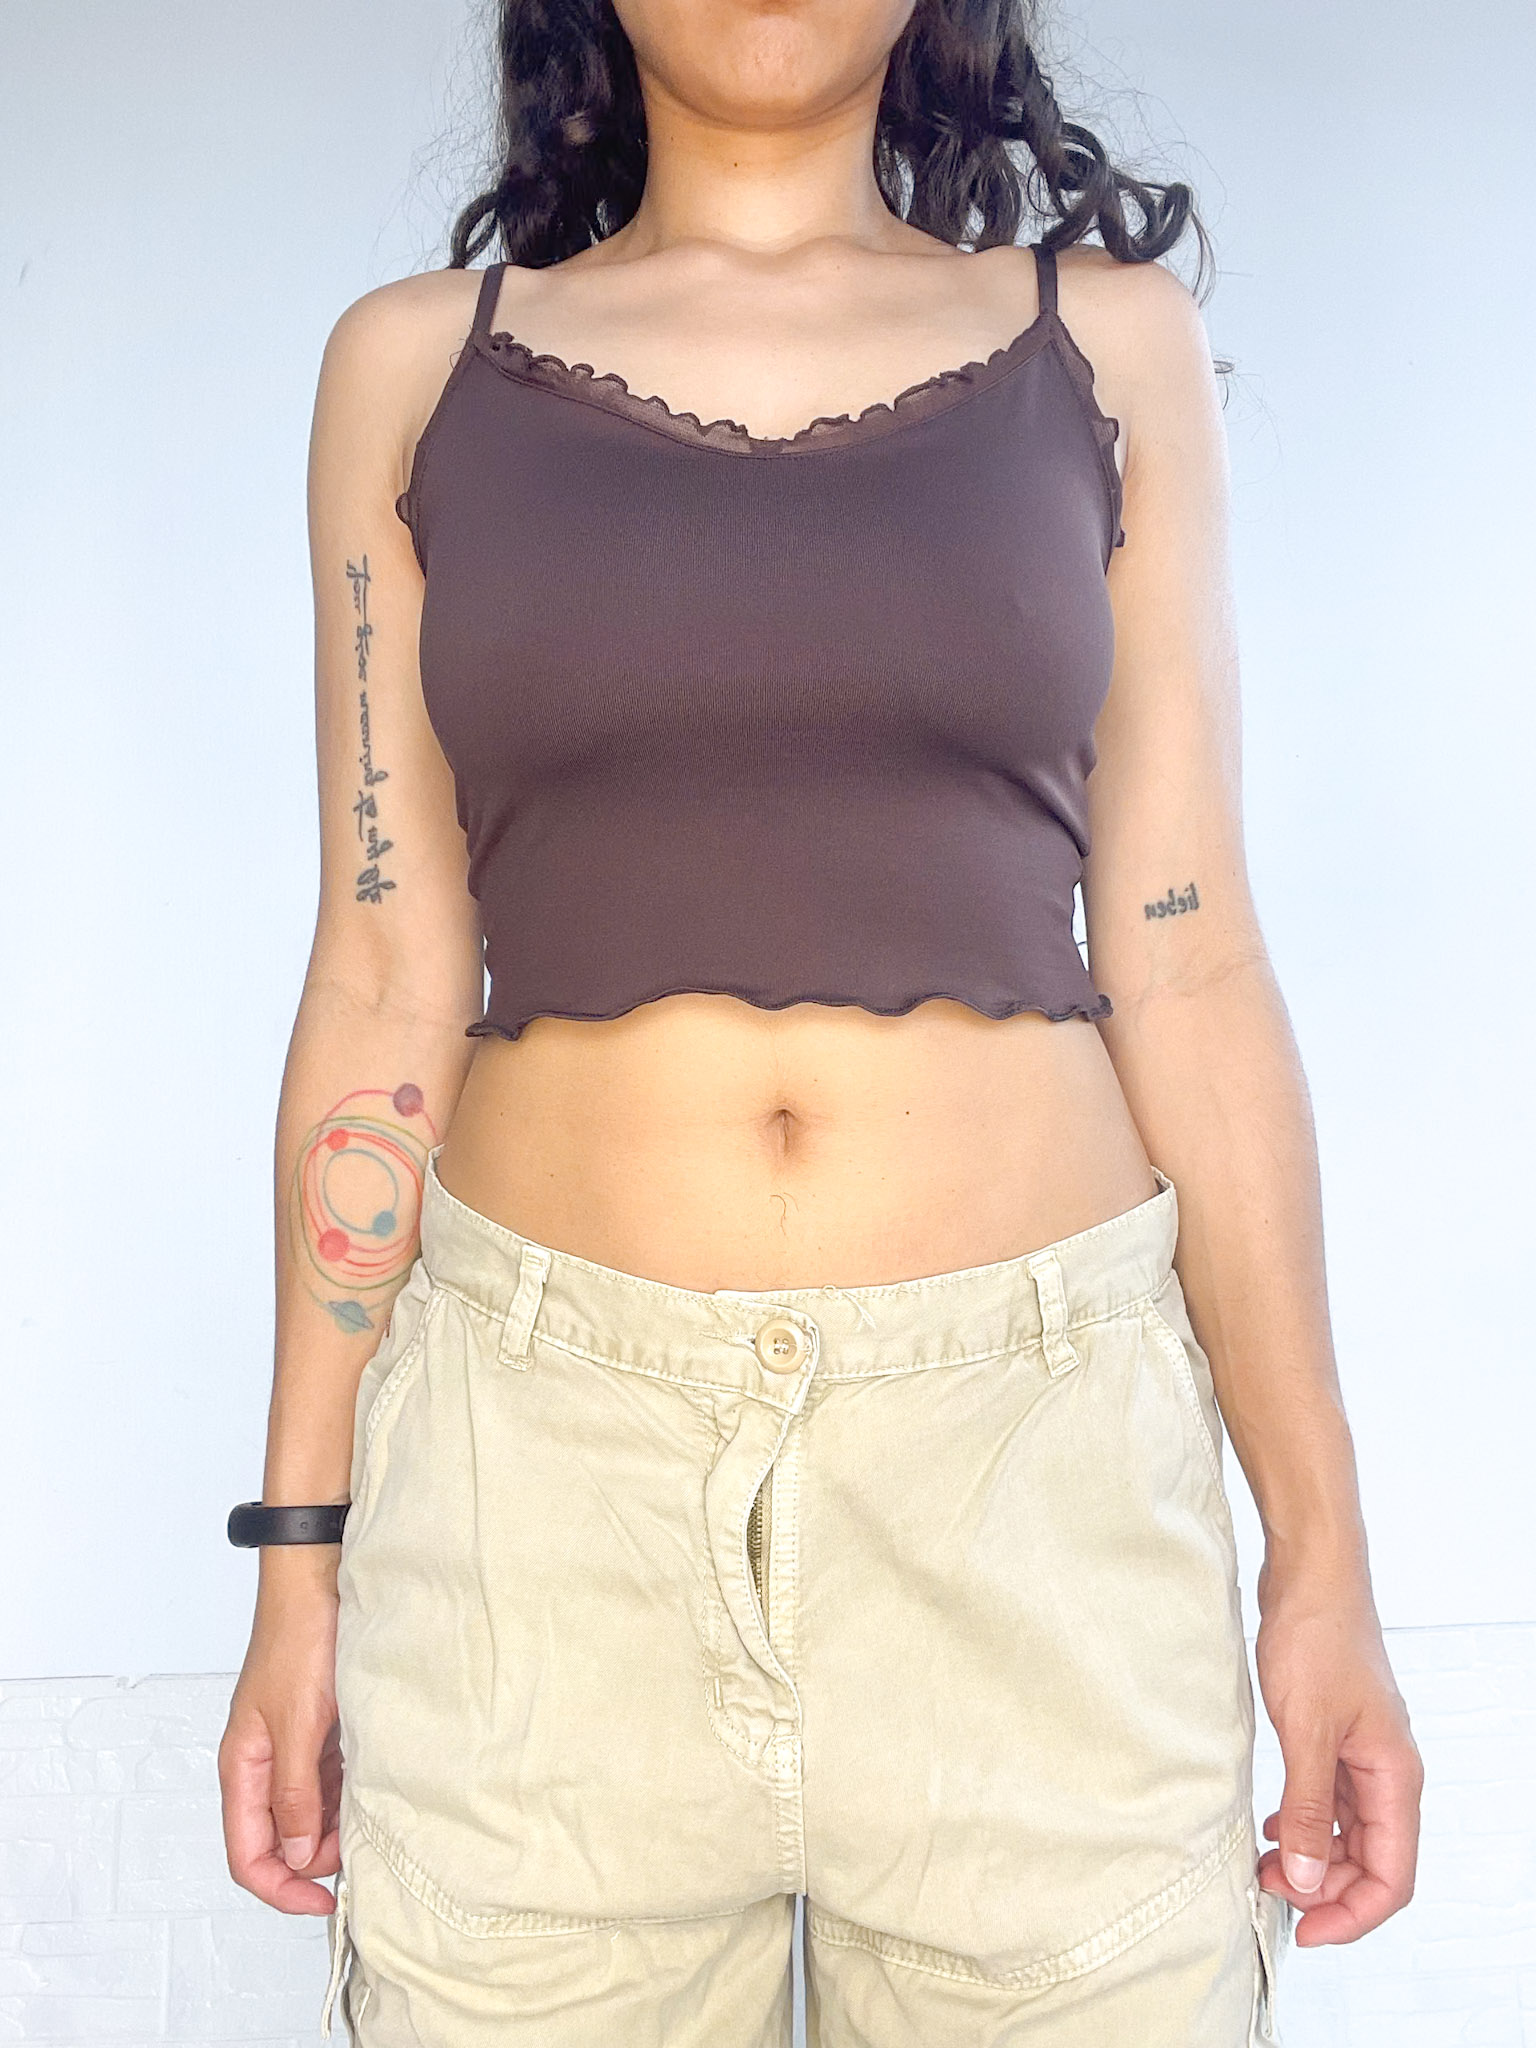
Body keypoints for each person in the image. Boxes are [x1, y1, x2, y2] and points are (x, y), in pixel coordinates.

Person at [217, 1, 1423, 2041]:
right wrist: (299, 1553)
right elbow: (381, 975)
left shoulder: (1108, 349)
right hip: (538, 1504)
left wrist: (1322, 1558)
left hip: (1035, 1498)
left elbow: (1191, 959)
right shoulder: (413, 370)